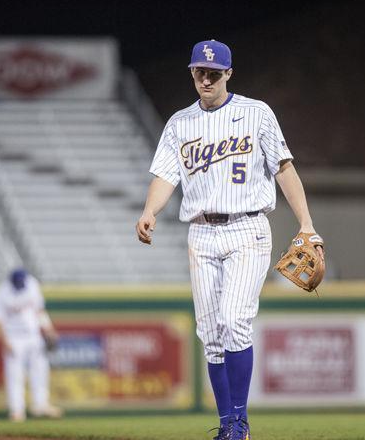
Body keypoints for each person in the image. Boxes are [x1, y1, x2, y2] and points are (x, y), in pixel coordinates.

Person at [136, 39, 324, 440]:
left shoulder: (257, 114)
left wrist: (307, 224)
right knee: (211, 335)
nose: (206, 78)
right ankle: (227, 427)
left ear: (229, 74)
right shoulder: (179, 124)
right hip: (201, 232)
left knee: (235, 320)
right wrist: (150, 210)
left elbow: (284, 170)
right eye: (200, 72)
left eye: (214, 72)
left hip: (247, 227)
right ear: (191, 73)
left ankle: (239, 424)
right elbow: (165, 176)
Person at [0, 268, 63, 422]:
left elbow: (40, 311)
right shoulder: (1, 292)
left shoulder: (32, 284)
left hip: (33, 335)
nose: (21, 285)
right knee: (15, 375)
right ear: (11, 281)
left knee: (41, 369)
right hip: (13, 338)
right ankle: (17, 410)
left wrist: (48, 330)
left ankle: (40, 405)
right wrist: (5, 341)